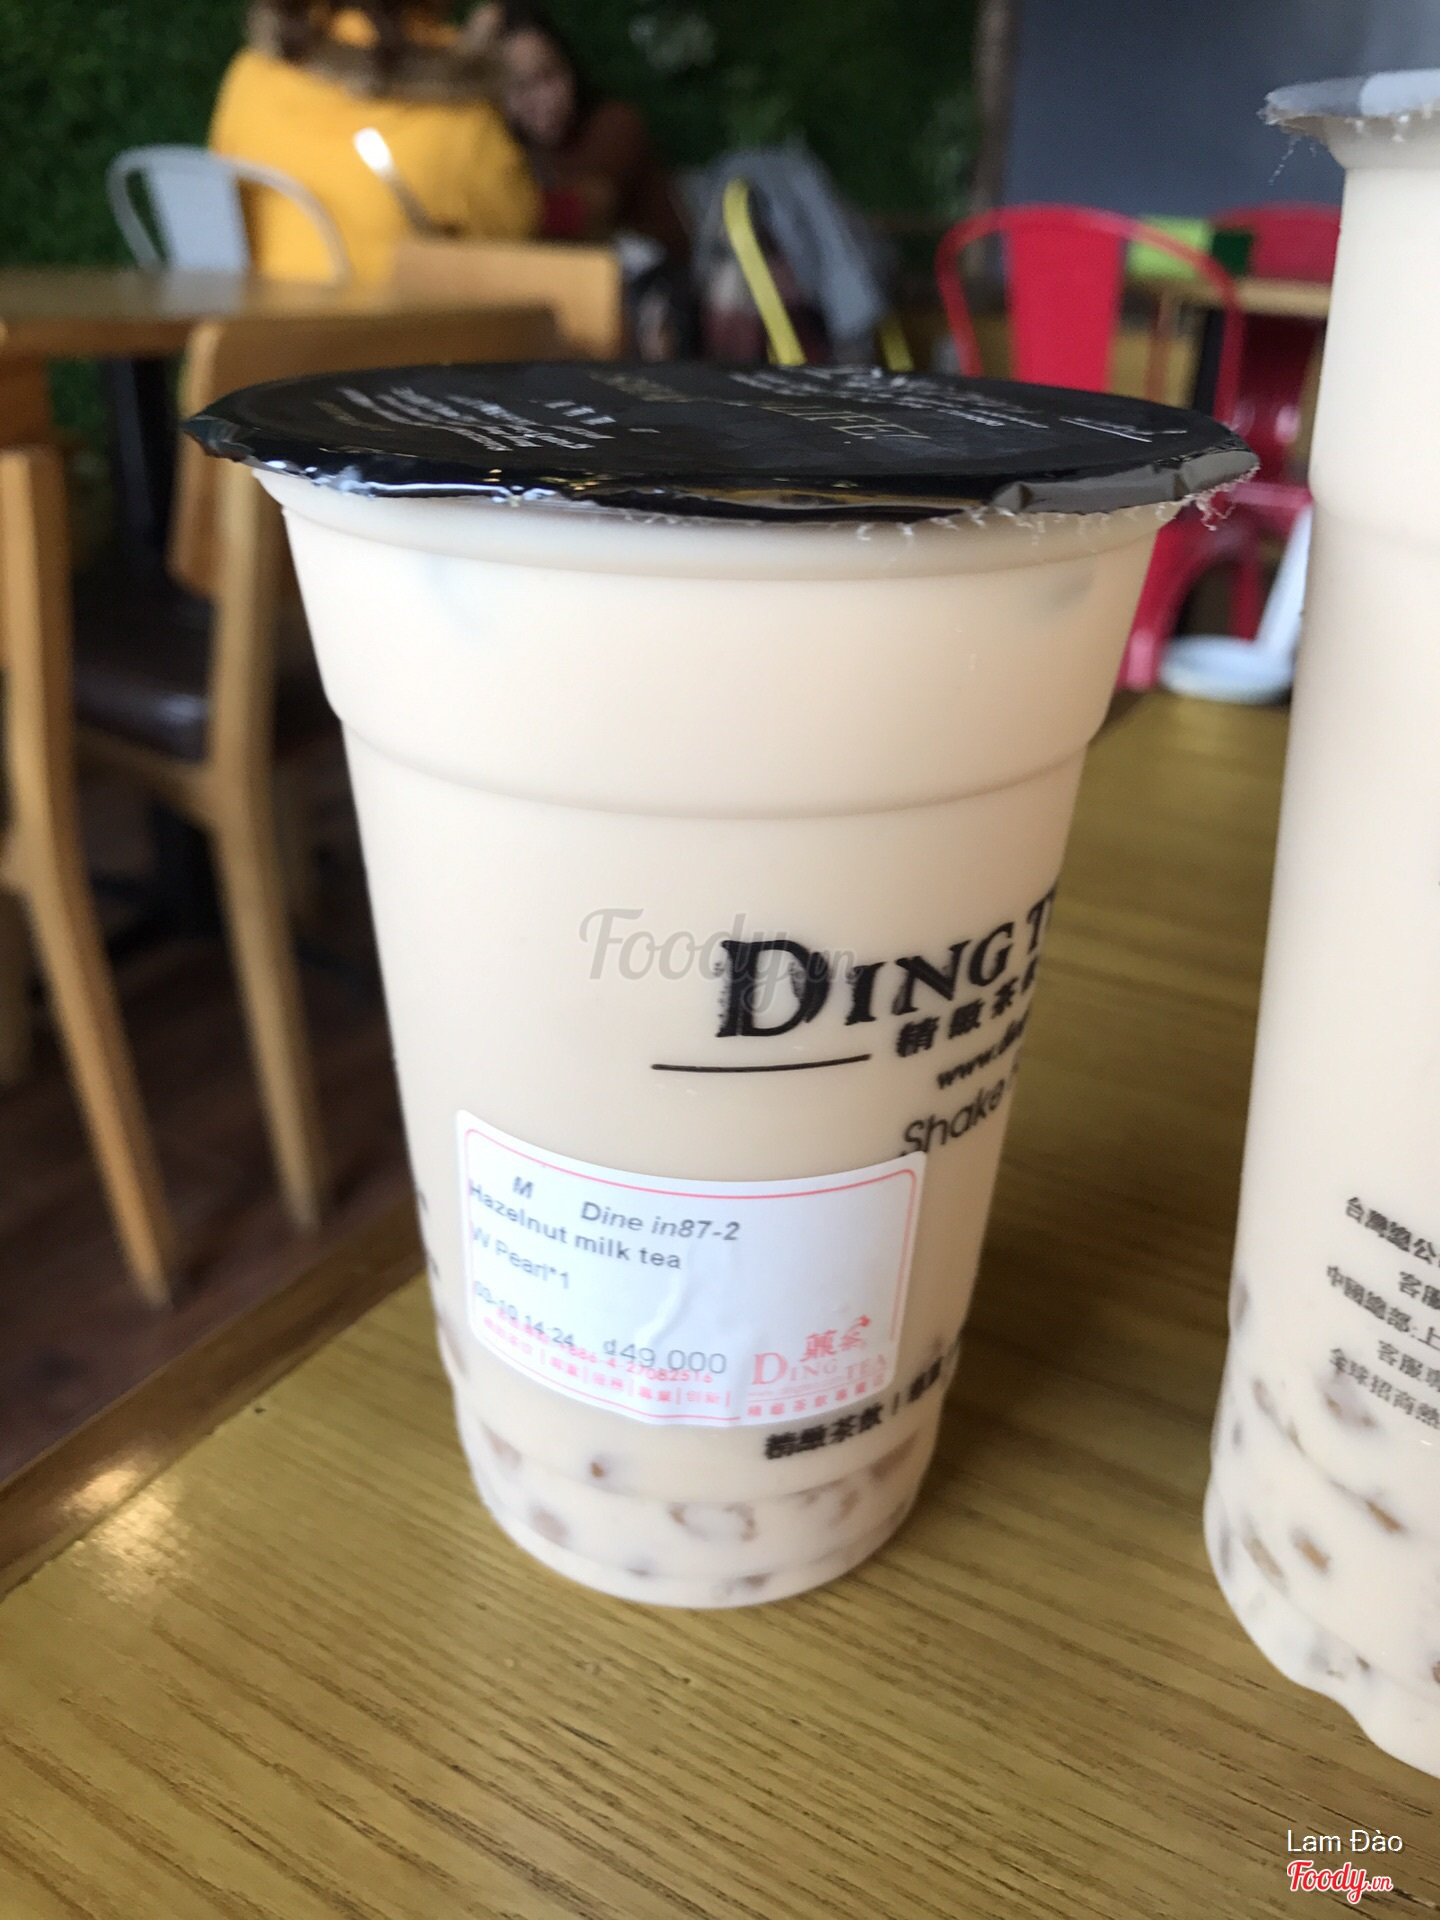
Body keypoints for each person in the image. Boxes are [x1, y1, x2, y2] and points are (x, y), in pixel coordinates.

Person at [210, 1, 541, 284]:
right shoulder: (460, 119)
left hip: (248, 336)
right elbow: (515, 240)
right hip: (388, 337)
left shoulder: (249, 77)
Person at [487, 2, 689, 261]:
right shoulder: (504, 148)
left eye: (550, 75)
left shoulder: (616, 124)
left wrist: (492, 205)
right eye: (520, 87)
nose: (545, 99)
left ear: (570, 67)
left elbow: (590, 208)